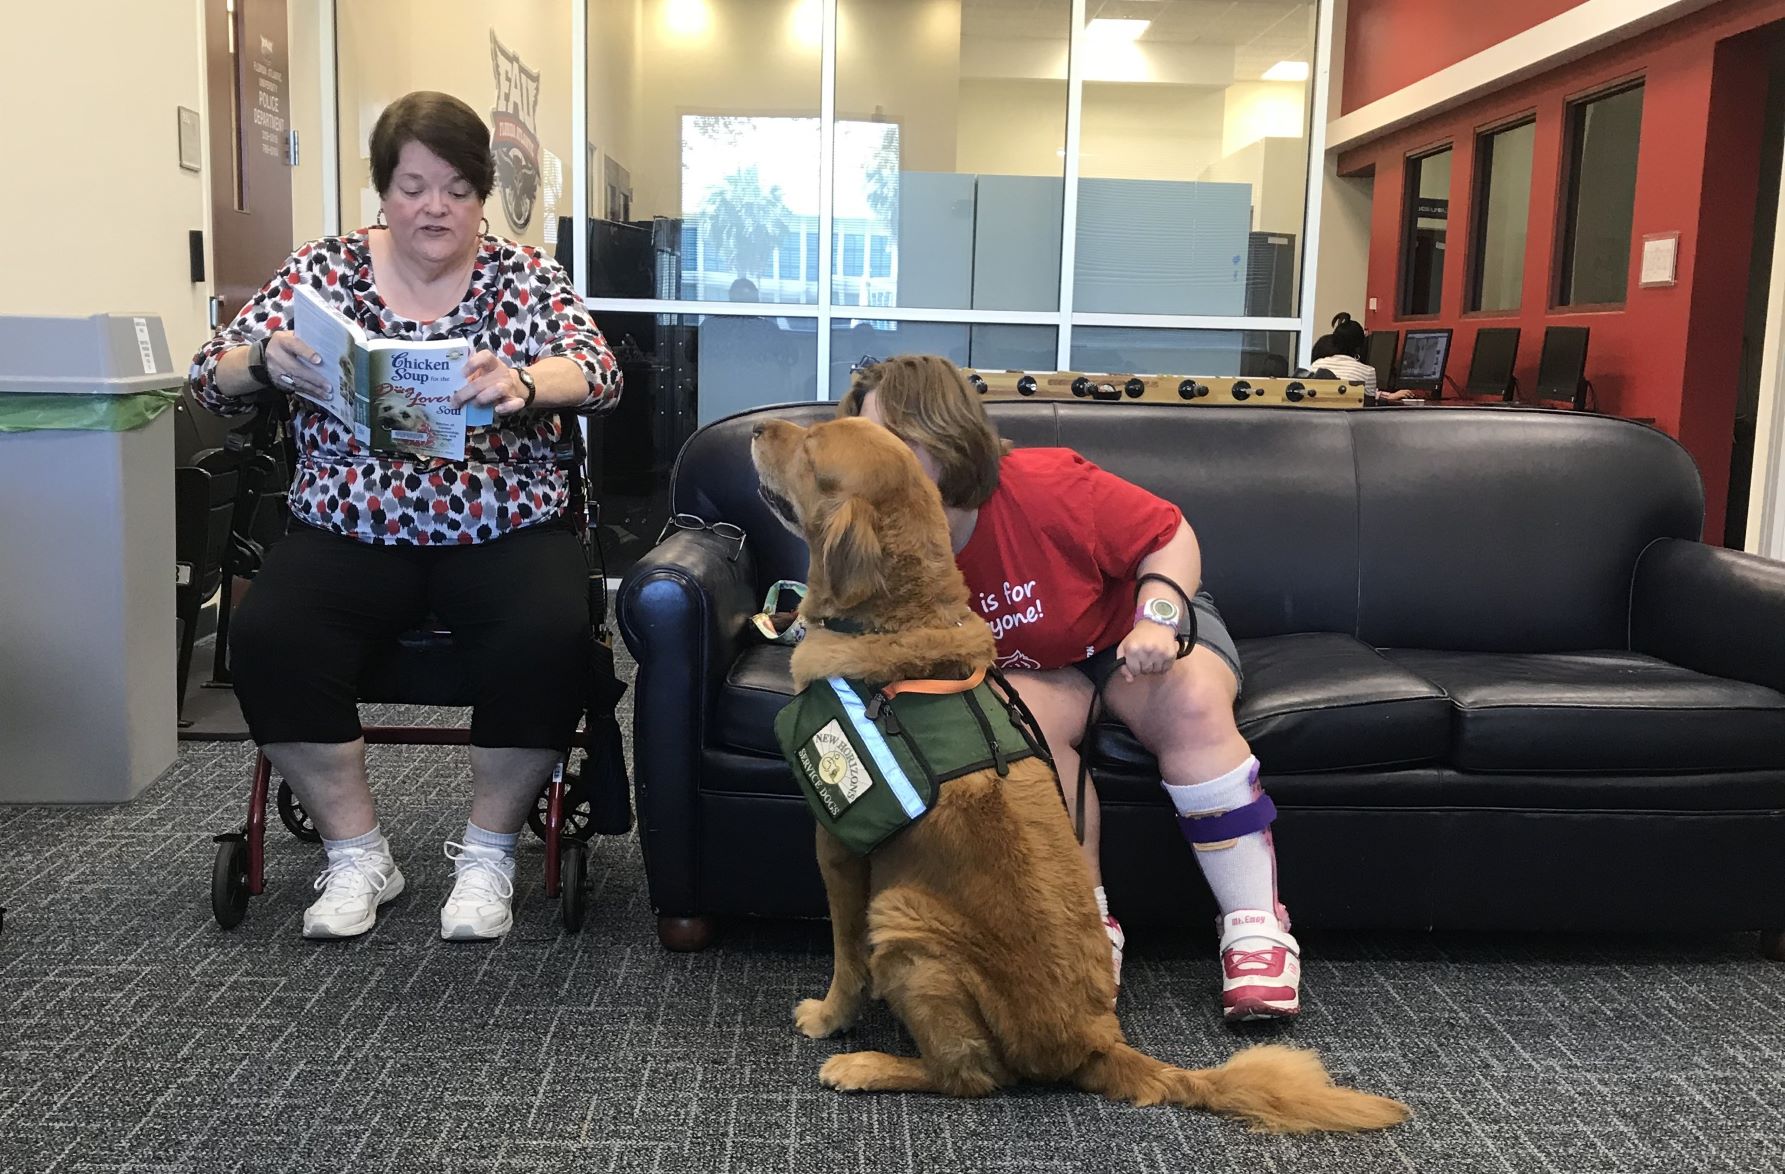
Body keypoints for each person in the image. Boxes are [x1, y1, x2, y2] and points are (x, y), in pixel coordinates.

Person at [189, 91, 621, 942]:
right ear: (382, 190)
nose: (435, 207)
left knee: (547, 634)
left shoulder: (522, 275)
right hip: (349, 521)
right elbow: (208, 378)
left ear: (482, 194)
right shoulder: (323, 269)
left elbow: (599, 371)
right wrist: (263, 361)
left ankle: (490, 853)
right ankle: (358, 856)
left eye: (457, 189)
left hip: (501, 520)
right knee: (270, 634)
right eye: (414, 186)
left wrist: (526, 384)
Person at [839, 355, 1301, 1022]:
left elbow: (1169, 536)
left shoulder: (1048, 483)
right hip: (1037, 667)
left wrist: (1159, 618)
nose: (880, 466)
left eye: (895, 442)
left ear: (943, 433)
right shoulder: (879, 536)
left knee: (1192, 703)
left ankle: (1256, 923)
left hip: (1127, 632)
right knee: (1012, 731)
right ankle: (1084, 928)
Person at [1318, 313, 1414, 402]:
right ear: (1361, 345)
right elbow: (1369, 400)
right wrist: (1389, 396)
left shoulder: (1317, 365)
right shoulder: (1367, 371)